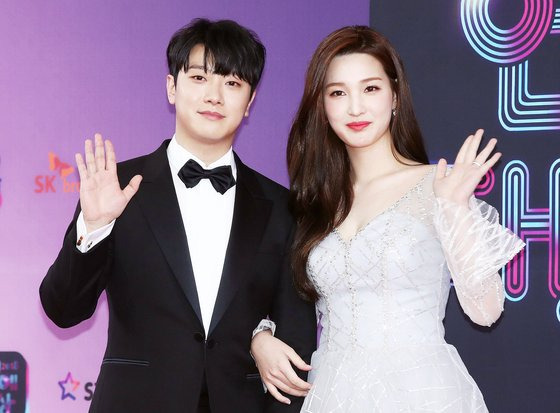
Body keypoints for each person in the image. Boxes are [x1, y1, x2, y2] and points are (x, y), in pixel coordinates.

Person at [39, 18, 316, 413]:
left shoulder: (282, 207)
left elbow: (296, 344)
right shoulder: (118, 187)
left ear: (250, 101)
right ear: (172, 87)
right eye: (200, 78)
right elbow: (62, 310)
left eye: (232, 83)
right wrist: (95, 226)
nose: (215, 95)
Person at [250, 26, 524, 412]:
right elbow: (273, 299)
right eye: (338, 93)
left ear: (395, 96)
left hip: (421, 394)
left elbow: (486, 310)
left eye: (371, 89)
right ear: (322, 107)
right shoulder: (313, 203)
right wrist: (259, 337)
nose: (356, 107)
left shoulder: (438, 187)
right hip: (331, 393)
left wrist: (456, 209)